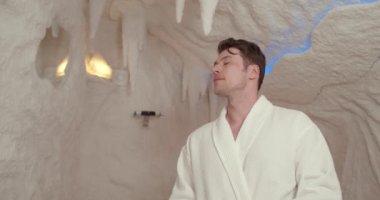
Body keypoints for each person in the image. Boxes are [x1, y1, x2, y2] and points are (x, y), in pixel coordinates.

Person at [169, 38, 342, 200]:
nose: (215, 69)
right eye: (215, 64)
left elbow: (322, 191)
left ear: (253, 72)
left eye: (226, 62)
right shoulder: (197, 141)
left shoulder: (296, 126)